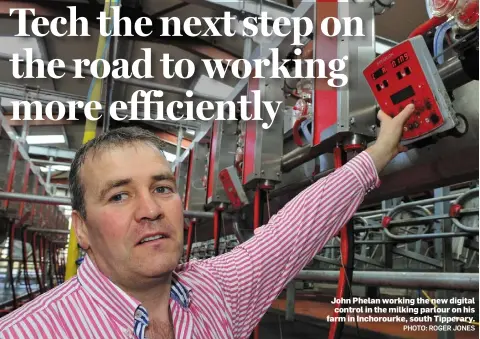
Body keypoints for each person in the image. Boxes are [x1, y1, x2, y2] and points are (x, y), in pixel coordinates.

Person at [0, 105, 415, 338]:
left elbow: (292, 232)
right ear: (83, 229)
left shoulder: (217, 292)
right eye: (119, 195)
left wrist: (376, 154)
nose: (151, 209)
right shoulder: (28, 332)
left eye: (162, 188)